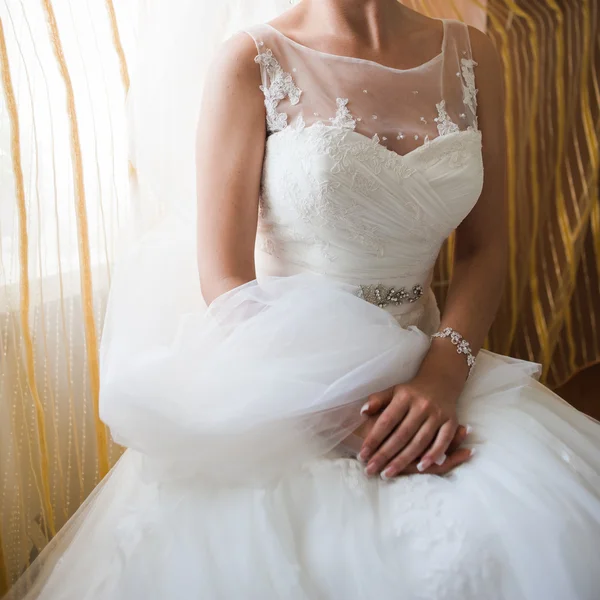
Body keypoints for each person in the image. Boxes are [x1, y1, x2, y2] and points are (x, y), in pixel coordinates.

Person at [8, 1, 600, 598]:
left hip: (430, 371)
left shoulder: (475, 53)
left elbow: (485, 249)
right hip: (286, 379)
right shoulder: (251, 60)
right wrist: (321, 408)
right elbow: (223, 276)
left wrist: (443, 376)